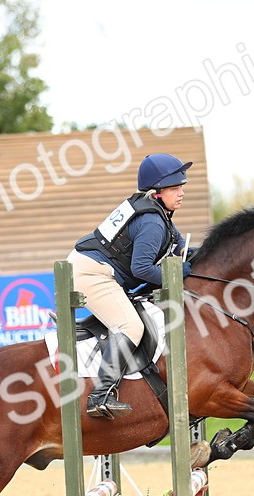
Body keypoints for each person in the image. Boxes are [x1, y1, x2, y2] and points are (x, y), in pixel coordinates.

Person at [67, 153, 191, 419]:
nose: (181, 193)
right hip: (91, 273)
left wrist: (193, 256)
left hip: (96, 267)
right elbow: (142, 269)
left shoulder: (158, 213)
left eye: (181, 186)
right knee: (130, 326)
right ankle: (99, 396)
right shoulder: (152, 222)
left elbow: (179, 244)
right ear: (157, 192)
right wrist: (177, 275)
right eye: (174, 188)